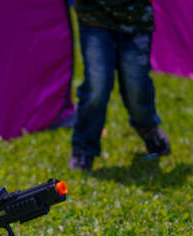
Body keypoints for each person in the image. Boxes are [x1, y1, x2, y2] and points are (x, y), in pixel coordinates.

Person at [69, 0, 171, 171]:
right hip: (94, 16)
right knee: (97, 86)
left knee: (136, 85)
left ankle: (148, 129)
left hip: (135, 18)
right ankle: (84, 149)